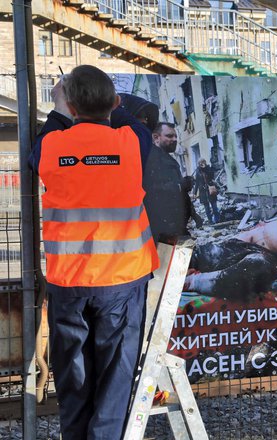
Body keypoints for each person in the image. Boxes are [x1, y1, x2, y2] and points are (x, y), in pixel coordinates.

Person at [28, 65, 160, 440]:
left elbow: (45, 141)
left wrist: (58, 107)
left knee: (74, 381)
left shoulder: (51, 145)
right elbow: (129, 111)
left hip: (68, 285)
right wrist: (104, 102)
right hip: (122, 282)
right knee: (114, 383)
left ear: (69, 106)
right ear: (114, 102)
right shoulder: (132, 141)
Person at [143, 121, 189, 242]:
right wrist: (181, 185)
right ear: (156, 137)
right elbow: (154, 191)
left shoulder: (165, 158)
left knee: (181, 259)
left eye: (175, 136)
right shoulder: (152, 159)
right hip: (166, 228)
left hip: (175, 226)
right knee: (174, 260)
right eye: (169, 136)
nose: (174, 139)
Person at [193, 158, 221, 224]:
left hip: (211, 190)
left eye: (203, 162)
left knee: (214, 207)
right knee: (207, 209)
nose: (202, 164)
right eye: (200, 163)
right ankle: (210, 221)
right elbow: (197, 182)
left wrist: (205, 169)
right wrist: (194, 192)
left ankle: (217, 220)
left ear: (205, 162)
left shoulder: (209, 169)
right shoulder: (197, 171)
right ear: (198, 164)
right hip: (203, 192)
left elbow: (212, 176)